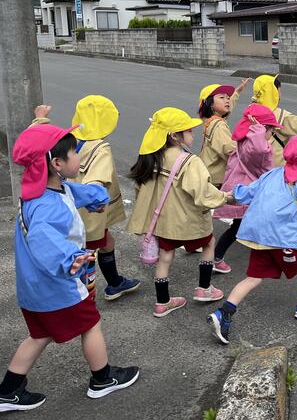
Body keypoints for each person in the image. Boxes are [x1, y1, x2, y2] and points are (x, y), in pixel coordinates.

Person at [1, 124, 139, 412]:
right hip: (59, 287)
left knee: (40, 335)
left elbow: (77, 193)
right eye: (75, 152)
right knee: (91, 324)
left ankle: (8, 391)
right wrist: (70, 258)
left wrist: (98, 199)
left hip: (35, 289)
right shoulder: (47, 206)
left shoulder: (45, 190)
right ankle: (102, 379)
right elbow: (42, 238)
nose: (79, 156)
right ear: (57, 163)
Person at [207, 134, 297, 345]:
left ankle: (223, 313)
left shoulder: (271, 174)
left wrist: (225, 196)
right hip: (283, 239)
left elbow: (246, 193)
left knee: (253, 277)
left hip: (258, 237)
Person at [31, 97, 139, 301]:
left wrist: (40, 119)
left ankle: (114, 283)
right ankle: (85, 295)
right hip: (90, 214)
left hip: (69, 207)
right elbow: (98, 180)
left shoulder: (68, 140)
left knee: (106, 242)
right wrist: (96, 200)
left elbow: (39, 140)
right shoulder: (100, 148)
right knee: (87, 255)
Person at [127, 108, 230, 318]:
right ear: (174, 136)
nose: (192, 134)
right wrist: (225, 197)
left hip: (164, 222)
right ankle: (204, 288)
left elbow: (142, 191)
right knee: (209, 244)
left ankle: (162, 302)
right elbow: (203, 193)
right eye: (188, 131)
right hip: (190, 221)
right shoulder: (189, 161)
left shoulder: (152, 158)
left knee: (165, 257)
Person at [211, 104, 283, 274]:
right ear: (262, 128)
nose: (272, 134)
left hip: (241, 190)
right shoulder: (258, 149)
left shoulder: (243, 141)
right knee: (243, 227)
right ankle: (217, 258)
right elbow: (262, 154)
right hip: (250, 194)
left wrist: (256, 131)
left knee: (240, 227)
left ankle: (217, 257)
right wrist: (259, 131)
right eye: (271, 130)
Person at [252, 75, 297, 167]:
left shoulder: (250, 113)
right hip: (275, 169)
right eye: (278, 90)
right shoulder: (280, 116)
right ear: (273, 92)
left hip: (254, 168)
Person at [198, 79, 251, 187]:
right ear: (210, 104)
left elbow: (228, 107)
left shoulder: (210, 119)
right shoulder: (219, 126)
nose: (227, 100)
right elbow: (230, 149)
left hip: (207, 175)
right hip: (216, 182)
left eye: (227, 98)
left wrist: (237, 92)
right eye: (222, 97)